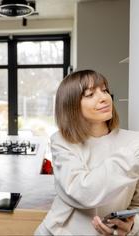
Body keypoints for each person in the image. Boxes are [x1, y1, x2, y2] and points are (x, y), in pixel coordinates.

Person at [34, 70, 139, 235]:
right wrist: (133, 154)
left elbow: (137, 205)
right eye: (90, 94)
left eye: (104, 90)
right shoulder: (62, 141)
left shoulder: (134, 141)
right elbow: (83, 192)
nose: (104, 98)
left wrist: (131, 227)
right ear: (71, 106)